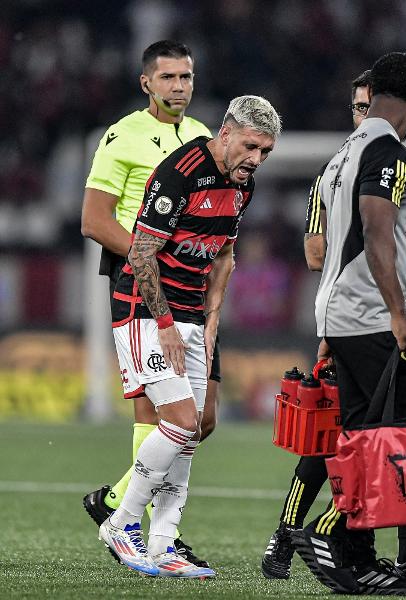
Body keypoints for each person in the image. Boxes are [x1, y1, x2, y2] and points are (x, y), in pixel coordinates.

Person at [262, 70, 406, 585]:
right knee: (380, 438)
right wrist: (395, 310)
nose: (363, 113)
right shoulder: (380, 155)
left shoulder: (353, 160)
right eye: (356, 105)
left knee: (379, 436)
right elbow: (357, 234)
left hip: (363, 316)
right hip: (375, 317)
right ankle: (325, 533)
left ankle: (364, 557)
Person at [97, 95, 281, 578]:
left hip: (192, 317)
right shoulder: (180, 171)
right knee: (179, 421)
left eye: (264, 152)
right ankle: (121, 522)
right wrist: (165, 326)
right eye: (249, 146)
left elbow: (222, 256)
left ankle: (163, 544)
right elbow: (140, 253)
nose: (255, 160)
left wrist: (210, 323)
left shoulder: (244, 186)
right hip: (143, 309)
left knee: (194, 430)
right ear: (225, 133)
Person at [80, 40, 216, 566]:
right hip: (142, 278)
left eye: (185, 77)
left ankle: (115, 502)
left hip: (193, 284)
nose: (179, 86)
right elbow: (94, 221)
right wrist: (151, 256)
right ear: (147, 83)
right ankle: (149, 532)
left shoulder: (205, 137)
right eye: (168, 78)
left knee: (200, 419)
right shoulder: (124, 136)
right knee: (159, 410)